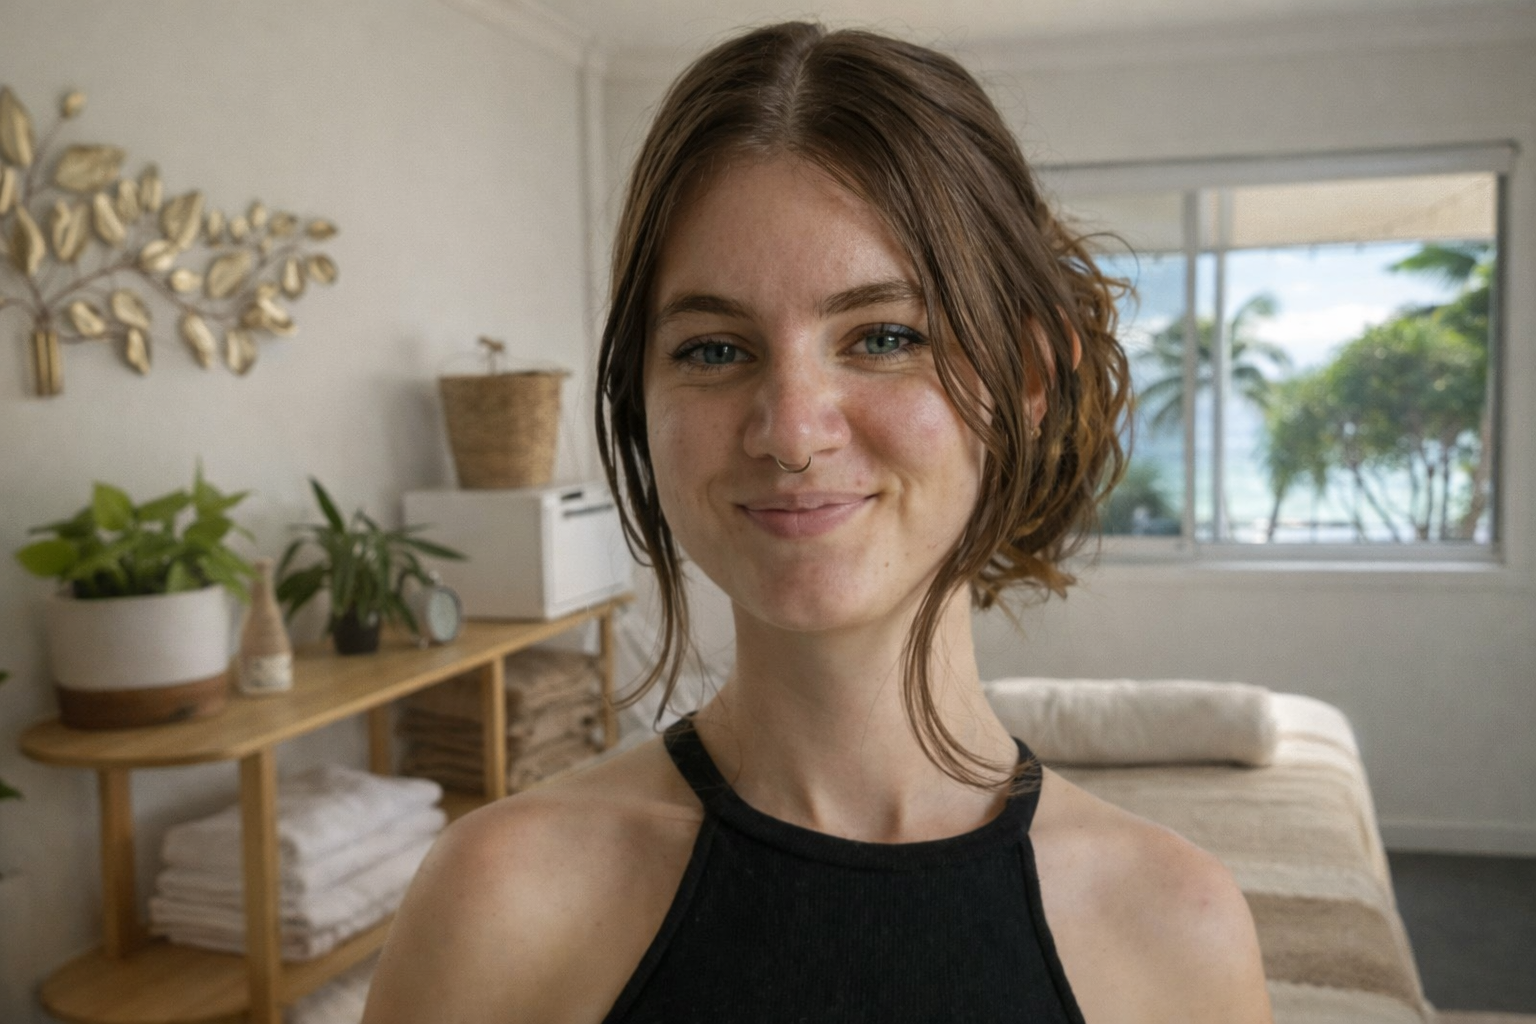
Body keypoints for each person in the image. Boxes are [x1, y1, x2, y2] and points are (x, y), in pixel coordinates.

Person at [363, 21, 1272, 1024]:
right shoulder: (496, 900)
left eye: (884, 336)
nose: (791, 432)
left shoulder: (1177, 932)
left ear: (1028, 379)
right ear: (641, 397)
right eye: (714, 349)